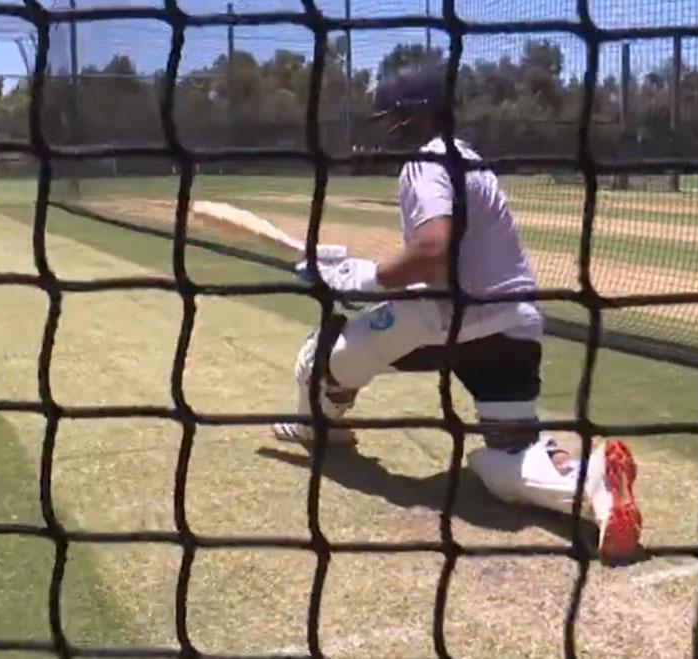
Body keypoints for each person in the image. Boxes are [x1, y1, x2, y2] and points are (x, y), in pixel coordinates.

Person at [272, 68, 643, 562]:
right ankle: (591, 481)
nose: (388, 131)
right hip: (514, 328)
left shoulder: (425, 160)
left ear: (417, 115)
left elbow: (432, 251)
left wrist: (361, 278)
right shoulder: (469, 159)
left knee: (315, 355)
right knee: (505, 458)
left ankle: (319, 426)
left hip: (445, 319)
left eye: (394, 119)